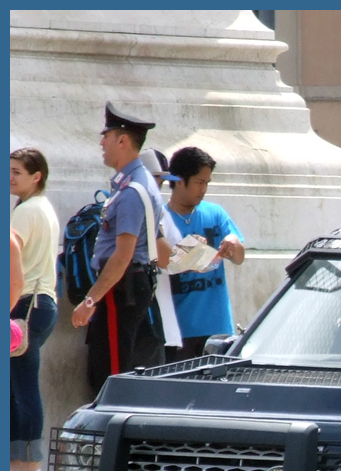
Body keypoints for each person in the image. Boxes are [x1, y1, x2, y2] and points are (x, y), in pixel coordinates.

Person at [73, 103, 167, 395]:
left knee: (111, 376)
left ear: (123, 140)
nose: (101, 142)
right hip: (129, 286)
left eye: (107, 135)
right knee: (110, 368)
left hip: (122, 290)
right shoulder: (135, 185)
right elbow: (159, 248)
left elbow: (122, 255)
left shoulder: (131, 192)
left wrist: (90, 301)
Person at [164, 146, 246, 362]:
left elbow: (239, 257)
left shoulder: (215, 213)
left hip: (218, 330)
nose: (204, 190)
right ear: (179, 180)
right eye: (200, 182)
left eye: (207, 183)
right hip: (179, 332)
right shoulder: (161, 219)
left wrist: (233, 243)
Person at [10, 147, 60, 471]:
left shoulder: (26, 212)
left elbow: (12, 262)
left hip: (28, 305)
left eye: (16, 171)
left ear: (36, 176)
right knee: (19, 386)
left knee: (22, 387)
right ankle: (20, 465)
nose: (10, 177)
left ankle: (27, 467)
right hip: (39, 304)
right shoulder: (40, 208)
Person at [138, 148, 183, 352]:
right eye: (157, 179)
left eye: (163, 181)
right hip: (142, 319)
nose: (160, 186)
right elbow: (170, 259)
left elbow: (178, 255)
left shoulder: (160, 212)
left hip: (163, 322)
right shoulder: (135, 206)